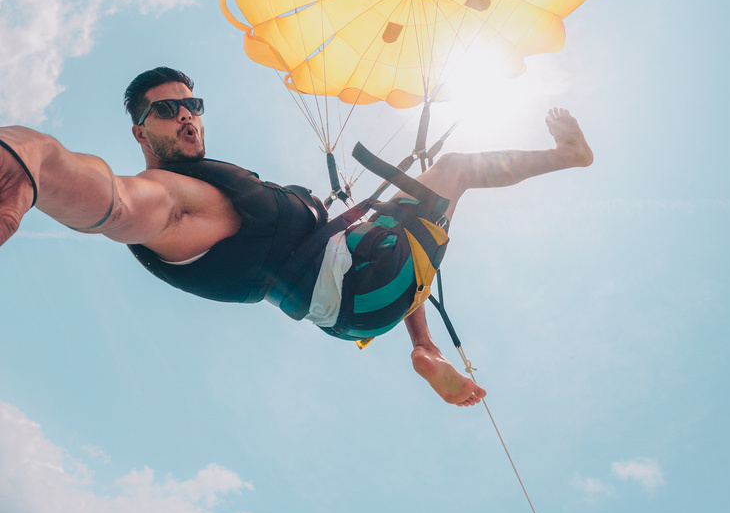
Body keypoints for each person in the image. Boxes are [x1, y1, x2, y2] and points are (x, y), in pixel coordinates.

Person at [0, 67, 594, 407]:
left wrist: (421, 340)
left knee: (388, 221)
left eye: (192, 104)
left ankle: (424, 349)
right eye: (166, 109)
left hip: (356, 290)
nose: (185, 115)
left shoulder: (218, 188)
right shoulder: (175, 199)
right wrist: (33, 162)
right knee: (457, 168)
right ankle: (570, 156)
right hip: (359, 284)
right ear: (140, 130)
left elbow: (368, 242)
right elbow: (116, 202)